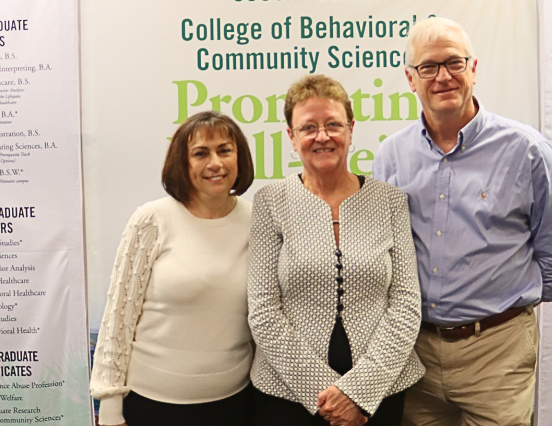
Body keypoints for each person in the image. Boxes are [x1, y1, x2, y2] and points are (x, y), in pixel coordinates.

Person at [372, 17, 552, 426]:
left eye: (454, 62)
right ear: (411, 79)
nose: (442, 76)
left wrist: (504, 312)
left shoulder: (528, 151)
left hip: (497, 354)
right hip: (414, 357)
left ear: (474, 69)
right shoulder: (391, 156)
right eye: (428, 67)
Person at [248, 74, 425, 426]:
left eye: (333, 124)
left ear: (351, 129)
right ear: (291, 136)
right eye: (308, 127)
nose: (322, 136)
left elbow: (406, 303)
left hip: (378, 395)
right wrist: (327, 394)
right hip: (285, 398)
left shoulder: (389, 201)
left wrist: (359, 392)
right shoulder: (270, 202)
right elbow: (263, 311)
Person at [89, 111, 255, 426]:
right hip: (151, 406)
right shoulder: (151, 219)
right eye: (200, 153)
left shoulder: (258, 221)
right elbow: (117, 318)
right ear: (182, 162)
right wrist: (109, 406)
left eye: (224, 150)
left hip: (235, 405)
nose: (215, 163)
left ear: (240, 157)